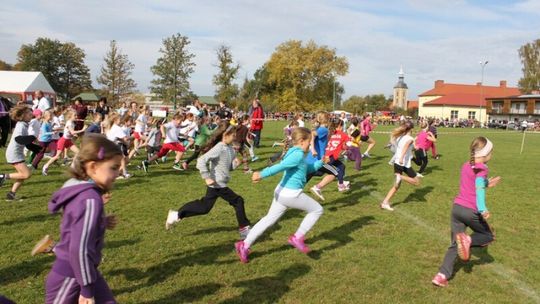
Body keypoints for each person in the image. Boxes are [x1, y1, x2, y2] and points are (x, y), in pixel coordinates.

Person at [44, 134, 122, 303]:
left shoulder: (79, 188)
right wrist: (86, 290)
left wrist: (100, 221)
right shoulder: (89, 200)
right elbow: (79, 249)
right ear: (93, 167)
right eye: (114, 168)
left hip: (85, 272)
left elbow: (75, 223)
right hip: (71, 276)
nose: (118, 173)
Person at [234, 127, 325, 263]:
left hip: (281, 192)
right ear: (301, 141)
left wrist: (321, 162)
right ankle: (297, 237)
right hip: (290, 195)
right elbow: (281, 166)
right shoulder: (298, 154)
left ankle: (244, 245)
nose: (310, 145)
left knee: (268, 220)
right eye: (309, 142)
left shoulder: (296, 153)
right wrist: (261, 174)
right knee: (317, 210)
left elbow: (306, 169)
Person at [432, 137, 500, 287]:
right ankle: (468, 240)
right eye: (491, 152)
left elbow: (474, 183)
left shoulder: (466, 165)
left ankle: (441, 275)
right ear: (486, 153)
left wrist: (488, 183)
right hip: (471, 210)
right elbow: (478, 188)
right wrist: (483, 208)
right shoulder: (482, 168)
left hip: (457, 209)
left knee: (455, 243)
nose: (492, 155)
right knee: (487, 235)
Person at [165, 122, 251, 239]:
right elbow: (201, 160)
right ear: (225, 135)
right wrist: (206, 177)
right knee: (238, 201)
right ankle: (244, 229)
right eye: (233, 135)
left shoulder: (230, 149)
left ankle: (176, 215)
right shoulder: (219, 147)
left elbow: (227, 167)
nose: (235, 137)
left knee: (204, 207)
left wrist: (236, 164)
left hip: (218, 184)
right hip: (217, 184)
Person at [380, 121, 421, 211]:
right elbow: (406, 147)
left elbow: (406, 147)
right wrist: (402, 157)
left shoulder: (399, 137)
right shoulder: (410, 139)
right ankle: (400, 177)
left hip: (397, 162)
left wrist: (415, 148)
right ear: (411, 129)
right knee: (417, 182)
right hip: (404, 164)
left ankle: (385, 203)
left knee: (396, 185)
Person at [0, 106, 34, 201]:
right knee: (27, 174)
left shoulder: (23, 124)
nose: (31, 114)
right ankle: (3, 176)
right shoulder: (21, 125)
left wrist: (36, 148)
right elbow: (18, 139)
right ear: (22, 116)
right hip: (14, 154)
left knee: (22, 175)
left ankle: (11, 194)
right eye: (28, 113)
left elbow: (25, 143)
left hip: (17, 153)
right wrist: (32, 137)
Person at [42, 110, 86, 175]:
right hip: (63, 141)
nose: (76, 117)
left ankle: (72, 167)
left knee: (79, 152)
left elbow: (70, 133)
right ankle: (45, 166)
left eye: (76, 115)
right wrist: (82, 130)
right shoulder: (69, 123)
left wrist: (73, 134)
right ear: (70, 116)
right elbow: (72, 132)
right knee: (57, 156)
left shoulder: (72, 123)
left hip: (68, 140)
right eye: (75, 115)